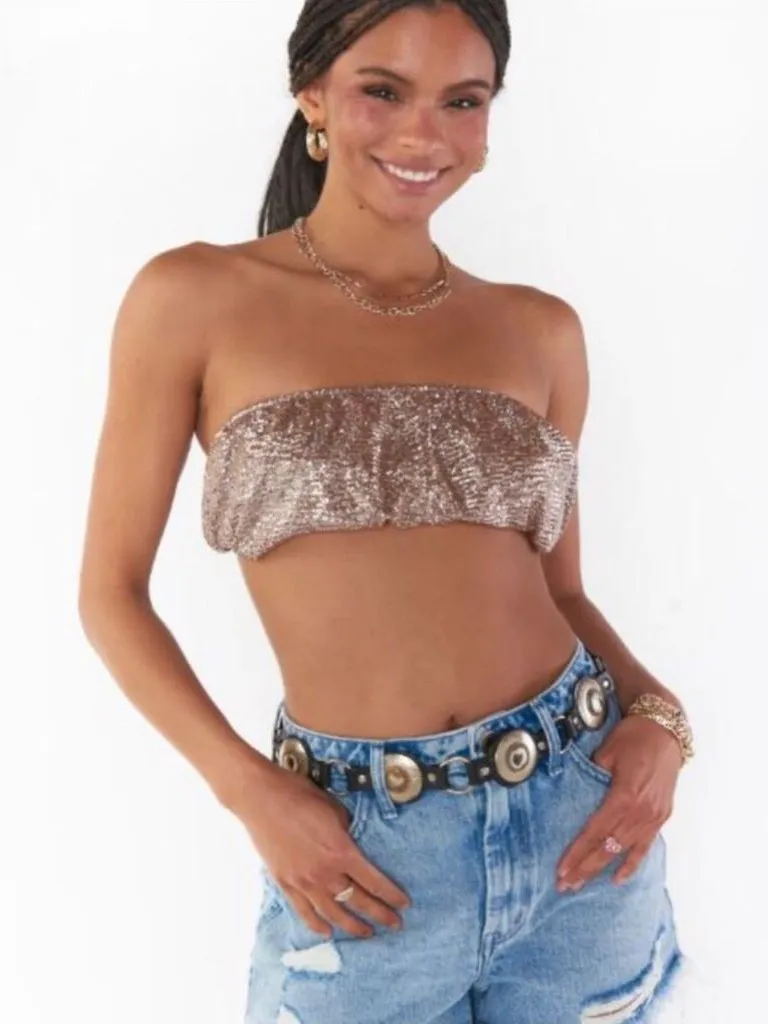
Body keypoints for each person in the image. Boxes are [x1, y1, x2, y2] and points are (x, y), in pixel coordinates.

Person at [78, 1, 696, 1021]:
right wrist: (251, 793)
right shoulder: (194, 298)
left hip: (583, 831)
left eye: (464, 101)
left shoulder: (539, 330)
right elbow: (110, 594)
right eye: (383, 90)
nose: (424, 134)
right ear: (312, 95)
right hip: (362, 859)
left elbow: (562, 591)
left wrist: (661, 719)